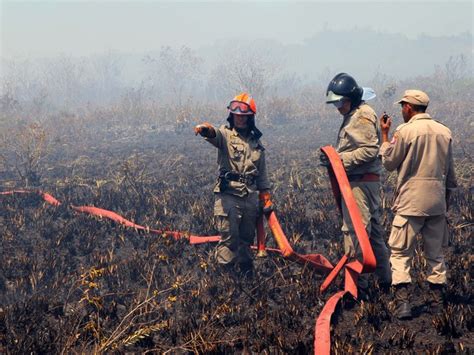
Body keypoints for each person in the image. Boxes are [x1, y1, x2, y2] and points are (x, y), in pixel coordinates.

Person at [379, 90, 457, 319]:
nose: (401, 110)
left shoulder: (405, 130)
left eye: (403, 106)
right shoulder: (444, 131)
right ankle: (436, 303)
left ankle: (403, 304)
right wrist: (446, 201)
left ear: (409, 108)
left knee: (401, 252)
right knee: (435, 253)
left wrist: (385, 137)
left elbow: (389, 163)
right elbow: (450, 173)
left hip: (410, 201)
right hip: (436, 202)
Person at [322, 73, 392, 298]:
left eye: (340, 102)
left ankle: (357, 288)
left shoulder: (361, 115)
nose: (338, 107)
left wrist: (338, 161)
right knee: (372, 236)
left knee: (355, 233)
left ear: (351, 98)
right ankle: (385, 282)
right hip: (361, 182)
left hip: (360, 185)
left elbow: (369, 150)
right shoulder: (356, 114)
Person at [194, 93, 272, 277]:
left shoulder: (256, 143)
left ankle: (246, 276)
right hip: (229, 196)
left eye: (244, 116)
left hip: (250, 197)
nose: (240, 119)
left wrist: (265, 196)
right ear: (231, 116)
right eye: (236, 115)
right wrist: (205, 129)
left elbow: (262, 173)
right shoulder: (226, 135)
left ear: (250, 118)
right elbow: (214, 134)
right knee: (229, 239)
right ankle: (226, 281)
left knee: (246, 240)